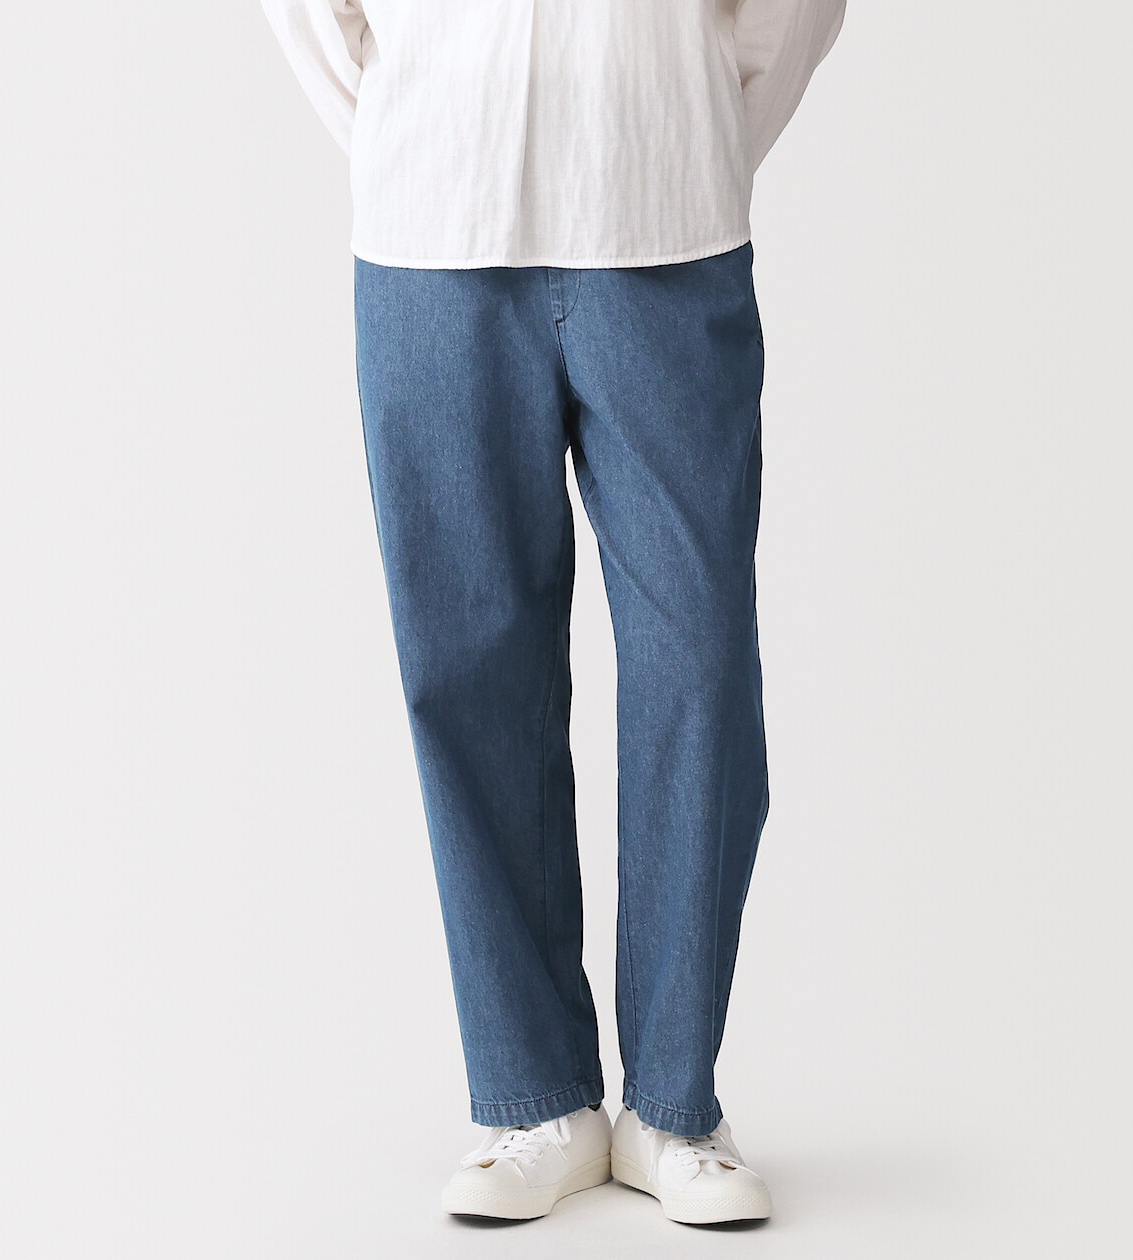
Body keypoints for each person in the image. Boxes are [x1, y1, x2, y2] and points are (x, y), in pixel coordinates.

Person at [259, 0, 846, 1227]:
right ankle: (533, 1098)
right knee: (469, 671)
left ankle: (675, 1104)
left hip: (665, 208)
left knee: (699, 660)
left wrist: (692, 114)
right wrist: (408, 121)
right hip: (434, 222)